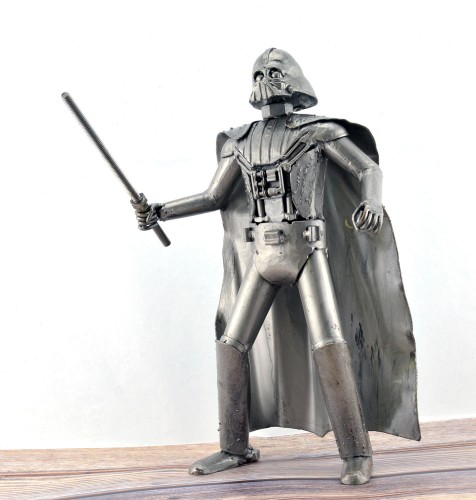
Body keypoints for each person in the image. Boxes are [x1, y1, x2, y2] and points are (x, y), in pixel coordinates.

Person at [133, 48, 420, 485]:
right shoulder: (240, 142)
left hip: (308, 250)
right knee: (232, 343)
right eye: (257, 73)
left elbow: (367, 170)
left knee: (329, 344)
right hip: (263, 254)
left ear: (294, 79)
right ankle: (234, 446)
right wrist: (161, 211)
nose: (264, 80)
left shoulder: (319, 131)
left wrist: (373, 201)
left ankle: (356, 452)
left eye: (273, 71)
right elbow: (214, 197)